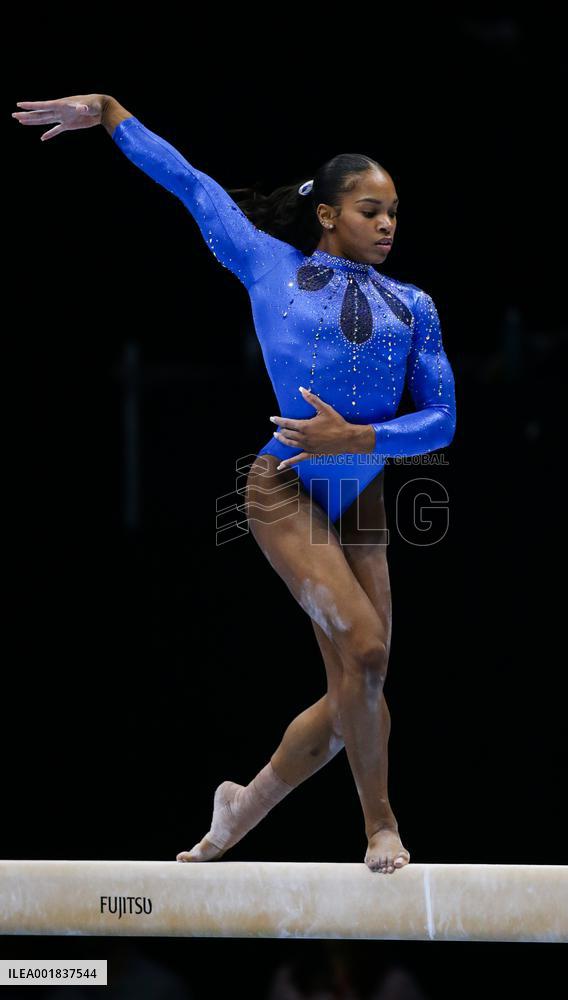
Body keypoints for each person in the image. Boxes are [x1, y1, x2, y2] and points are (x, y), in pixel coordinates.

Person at [12, 94, 456, 875]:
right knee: (370, 647)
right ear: (326, 214)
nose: (388, 224)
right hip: (283, 487)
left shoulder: (416, 307)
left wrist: (359, 439)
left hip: (363, 493)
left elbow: (444, 420)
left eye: (394, 212)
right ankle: (380, 825)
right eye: (369, 210)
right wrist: (113, 114)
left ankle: (240, 808)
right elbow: (191, 184)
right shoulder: (267, 264)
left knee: (363, 683)